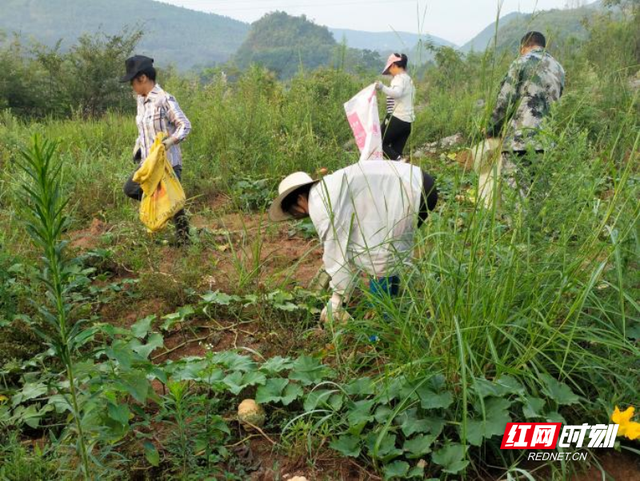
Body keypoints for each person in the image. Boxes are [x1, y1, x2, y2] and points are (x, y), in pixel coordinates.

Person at [269, 161, 437, 323]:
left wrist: (337, 298)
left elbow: (336, 254)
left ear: (299, 199)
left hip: (411, 189)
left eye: (295, 212)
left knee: (379, 256)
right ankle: (391, 312)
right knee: (383, 250)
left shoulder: (321, 205)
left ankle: (380, 330)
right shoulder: (326, 190)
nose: (299, 217)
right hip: (417, 182)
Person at [120, 55, 192, 245]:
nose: (132, 87)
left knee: (176, 207)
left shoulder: (164, 99)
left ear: (142, 78)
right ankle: (161, 210)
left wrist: (170, 141)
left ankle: (186, 244)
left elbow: (185, 126)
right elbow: (144, 128)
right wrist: (138, 145)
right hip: (148, 162)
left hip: (168, 163)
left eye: (132, 82)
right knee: (130, 189)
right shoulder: (140, 101)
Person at [487, 31, 565, 198]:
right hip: (546, 140)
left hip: (520, 142)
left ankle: (515, 225)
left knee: (514, 198)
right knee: (538, 196)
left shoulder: (521, 62)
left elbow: (504, 101)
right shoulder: (558, 68)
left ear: (524, 47)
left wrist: (492, 129)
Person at [375, 53, 415, 162]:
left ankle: (399, 160)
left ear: (393, 65)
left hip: (397, 118)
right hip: (407, 123)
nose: (390, 73)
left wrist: (382, 87)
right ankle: (399, 165)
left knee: (377, 143)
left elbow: (396, 93)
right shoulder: (409, 80)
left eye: (390, 69)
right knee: (394, 152)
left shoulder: (399, 78)